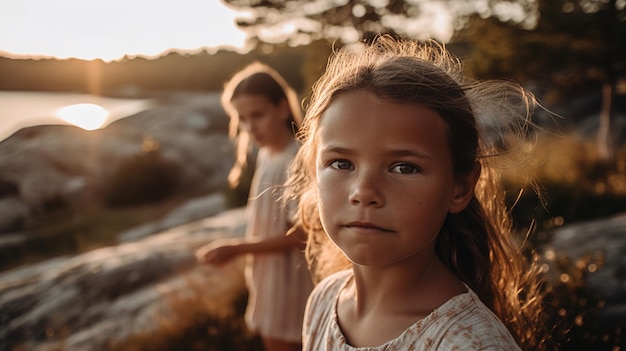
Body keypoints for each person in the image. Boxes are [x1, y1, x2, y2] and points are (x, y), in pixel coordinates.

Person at [285, 36, 546, 350]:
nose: (364, 192)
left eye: (404, 168)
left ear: (460, 187)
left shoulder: (468, 344)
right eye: (341, 163)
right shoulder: (324, 301)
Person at [196, 62, 313, 351]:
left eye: (258, 115)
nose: (250, 127)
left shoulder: (295, 160)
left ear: (283, 108)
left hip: (291, 282)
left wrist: (237, 249)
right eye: (243, 118)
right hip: (269, 276)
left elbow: (301, 236)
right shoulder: (266, 156)